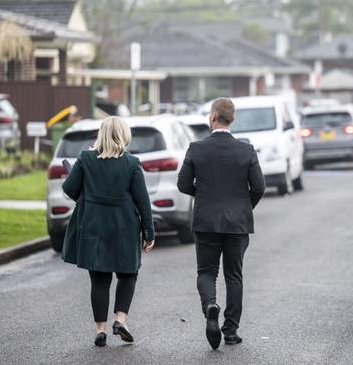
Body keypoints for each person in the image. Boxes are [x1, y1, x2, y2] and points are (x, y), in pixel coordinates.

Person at [177, 98, 265, 350]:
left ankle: (210, 306)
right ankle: (230, 330)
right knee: (234, 276)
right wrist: (243, 206)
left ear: (213, 117)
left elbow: (183, 184)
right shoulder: (246, 150)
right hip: (237, 223)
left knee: (206, 272)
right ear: (232, 119)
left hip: (205, 221)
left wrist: (206, 194)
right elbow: (259, 187)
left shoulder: (196, 148)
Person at [61, 116, 156, 347]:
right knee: (128, 273)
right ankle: (120, 320)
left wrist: (87, 195)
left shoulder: (85, 158)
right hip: (124, 227)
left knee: (100, 279)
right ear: (124, 135)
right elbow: (143, 201)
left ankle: (100, 330)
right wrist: (149, 232)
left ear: (101, 134)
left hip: (93, 226)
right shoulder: (131, 163)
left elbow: (69, 189)